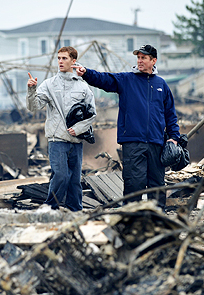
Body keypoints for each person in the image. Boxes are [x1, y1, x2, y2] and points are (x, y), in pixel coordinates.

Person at [74, 44, 180, 210]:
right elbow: (104, 79)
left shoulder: (161, 85)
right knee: (134, 183)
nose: (139, 61)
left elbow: (170, 114)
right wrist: (86, 73)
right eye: (138, 57)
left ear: (154, 60)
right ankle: (132, 218)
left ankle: (158, 219)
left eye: (143, 58)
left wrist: (174, 137)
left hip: (157, 142)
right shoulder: (126, 80)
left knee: (157, 184)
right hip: (133, 141)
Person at [26, 46, 96, 211]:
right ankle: (50, 208)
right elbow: (33, 106)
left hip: (76, 141)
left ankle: (75, 211)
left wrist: (78, 129)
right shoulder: (49, 84)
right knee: (61, 176)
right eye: (58, 58)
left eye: (64, 58)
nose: (60, 61)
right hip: (57, 140)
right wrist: (31, 90)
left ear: (73, 61)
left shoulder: (83, 87)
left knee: (75, 181)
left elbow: (92, 113)